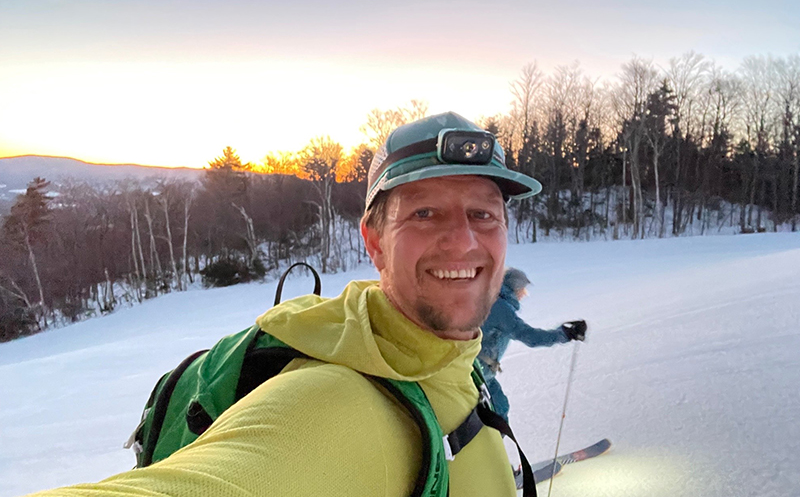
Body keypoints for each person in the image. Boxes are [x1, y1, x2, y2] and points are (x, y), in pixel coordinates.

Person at [26, 112, 544, 496]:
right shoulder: (333, 402)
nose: (464, 242)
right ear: (375, 242)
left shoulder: (447, 361)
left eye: (483, 214)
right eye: (425, 214)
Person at [479, 267, 587, 422]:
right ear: (514, 287)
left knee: (500, 408)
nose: (525, 294)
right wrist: (565, 334)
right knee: (495, 413)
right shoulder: (499, 308)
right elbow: (530, 337)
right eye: (523, 289)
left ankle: (490, 444)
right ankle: (485, 445)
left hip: (482, 372)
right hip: (476, 373)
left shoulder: (496, 302)